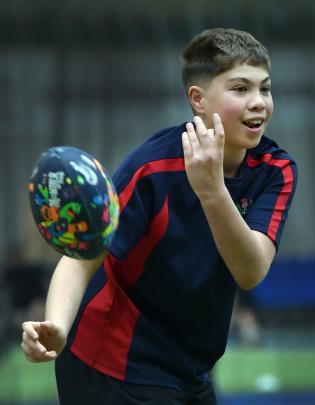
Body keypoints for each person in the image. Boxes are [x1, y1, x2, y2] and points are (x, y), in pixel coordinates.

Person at [20, 28, 298, 404]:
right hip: (111, 361)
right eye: (240, 89)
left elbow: (250, 271)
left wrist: (212, 189)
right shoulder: (153, 165)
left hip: (188, 367)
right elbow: (85, 257)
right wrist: (56, 324)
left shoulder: (275, 170)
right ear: (198, 99)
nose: (258, 102)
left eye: (264, 88)